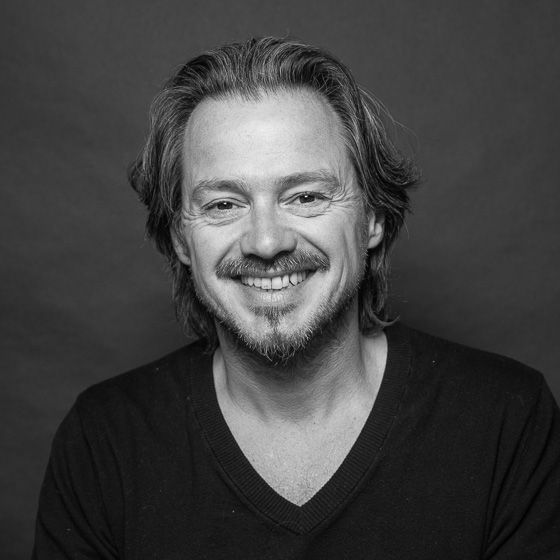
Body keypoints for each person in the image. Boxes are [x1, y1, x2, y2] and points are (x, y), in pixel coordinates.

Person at [33, 37, 560, 559]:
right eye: (223, 204)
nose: (266, 242)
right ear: (181, 241)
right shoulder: (103, 442)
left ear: (372, 218)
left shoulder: (506, 421)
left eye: (305, 196)